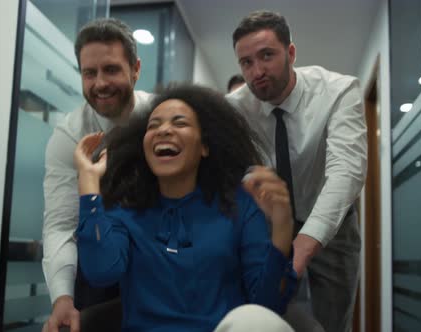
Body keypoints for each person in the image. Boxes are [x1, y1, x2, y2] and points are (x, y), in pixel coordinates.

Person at [73, 84, 297, 331]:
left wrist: (282, 226)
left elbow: (267, 306)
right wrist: (89, 181)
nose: (164, 131)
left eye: (179, 123)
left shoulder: (240, 206)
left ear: (204, 147)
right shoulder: (126, 210)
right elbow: (101, 272)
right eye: (153, 125)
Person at [227, 10, 367, 332]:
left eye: (266, 56)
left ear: (291, 53)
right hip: (268, 222)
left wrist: (307, 239)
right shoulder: (235, 108)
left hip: (334, 225)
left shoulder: (338, 91)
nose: (257, 71)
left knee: (332, 321)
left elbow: (346, 171)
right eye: (246, 63)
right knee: (263, 313)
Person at [41, 18, 153, 332]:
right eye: (89, 73)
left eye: (111, 69)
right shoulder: (70, 135)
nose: (100, 83)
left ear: (135, 69)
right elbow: (61, 224)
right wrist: (62, 297)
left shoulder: (162, 119)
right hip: (97, 267)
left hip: (159, 265)